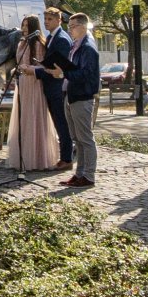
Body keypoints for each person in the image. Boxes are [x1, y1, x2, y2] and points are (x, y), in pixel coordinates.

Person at [4, 16, 55, 172]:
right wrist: (17, 70)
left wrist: (29, 69)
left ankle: (36, 158)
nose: (24, 28)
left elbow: (42, 67)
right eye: (23, 25)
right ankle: (22, 156)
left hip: (34, 84)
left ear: (34, 27)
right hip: (23, 83)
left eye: (27, 26)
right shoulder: (22, 43)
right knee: (23, 119)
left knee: (33, 118)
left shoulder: (38, 44)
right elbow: (18, 62)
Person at [61, 14, 100, 188]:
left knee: (86, 139)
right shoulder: (76, 46)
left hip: (82, 96)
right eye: (69, 26)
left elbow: (86, 74)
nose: (70, 29)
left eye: (73, 26)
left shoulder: (87, 47)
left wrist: (63, 73)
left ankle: (89, 176)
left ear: (83, 26)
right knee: (78, 138)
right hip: (72, 94)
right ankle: (79, 174)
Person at [42, 8, 76, 170]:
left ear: (58, 20)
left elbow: (59, 68)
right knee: (58, 123)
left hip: (57, 87)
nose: (46, 21)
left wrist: (37, 70)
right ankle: (64, 155)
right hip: (51, 86)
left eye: (49, 19)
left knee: (62, 124)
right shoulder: (50, 37)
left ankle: (67, 158)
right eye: (45, 19)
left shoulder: (61, 39)